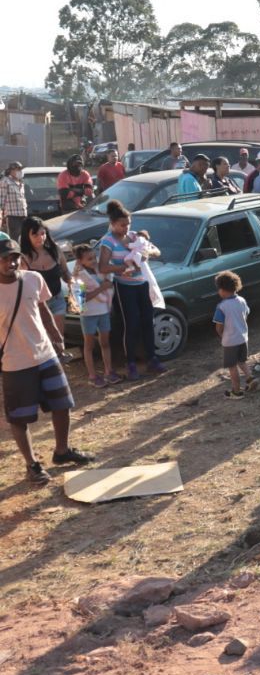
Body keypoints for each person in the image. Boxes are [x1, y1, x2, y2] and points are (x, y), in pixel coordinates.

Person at [0, 238, 95, 484]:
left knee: (62, 404)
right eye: (4, 258)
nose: (11, 262)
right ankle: (32, 464)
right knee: (19, 418)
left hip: (46, 355)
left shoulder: (32, 279)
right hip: (14, 364)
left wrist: (56, 337)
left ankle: (62, 452)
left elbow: (43, 309)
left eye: (14, 257)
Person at [98, 199, 165, 380]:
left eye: (128, 224)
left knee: (147, 321)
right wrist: (123, 268)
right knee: (131, 324)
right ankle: (131, 363)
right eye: (122, 225)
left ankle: (152, 358)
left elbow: (155, 251)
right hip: (124, 287)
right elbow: (103, 267)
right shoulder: (108, 241)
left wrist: (144, 254)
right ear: (112, 224)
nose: (126, 228)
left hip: (142, 284)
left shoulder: (135, 237)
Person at [71, 243, 118, 387]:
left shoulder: (99, 271)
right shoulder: (78, 277)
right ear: (80, 261)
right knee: (89, 345)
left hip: (103, 311)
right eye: (89, 259)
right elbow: (81, 299)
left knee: (105, 342)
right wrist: (101, 288)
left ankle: (108, 371)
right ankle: (92, 375)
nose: (94, 261)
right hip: (89, 314)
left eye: (94, 257)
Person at [19, 218, 72, 343]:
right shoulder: (23, 259)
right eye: (35, 234)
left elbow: (65, 272)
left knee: (58, 338)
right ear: (27, 235)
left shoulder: (55, 250)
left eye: (43, 234)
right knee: (44, 341)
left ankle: (60, 360)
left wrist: (73, 282)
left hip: (57, 299)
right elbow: (21, 286)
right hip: (37, 305)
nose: (40, 238)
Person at [212, 270, 258, 398]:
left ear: (223, 290)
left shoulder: (222, 307)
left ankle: (236, 391)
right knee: (242, 361)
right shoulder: (242, 300)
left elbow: (219, 327)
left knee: (232, 367)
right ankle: (250, 378)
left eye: (219, 289)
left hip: (230, 341)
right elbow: (246, 313)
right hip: (243, 338)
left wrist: (222, 335)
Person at [2, 162, 27, 240]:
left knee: (24, 238)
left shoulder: (21, 182)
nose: (20, 171)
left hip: (23, 215)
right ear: (11, 171)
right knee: (14, 238)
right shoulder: (5, 181)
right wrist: (2, 216)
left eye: (21, 169)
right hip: (12, 216)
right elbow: (1, 199)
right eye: (18, 169)